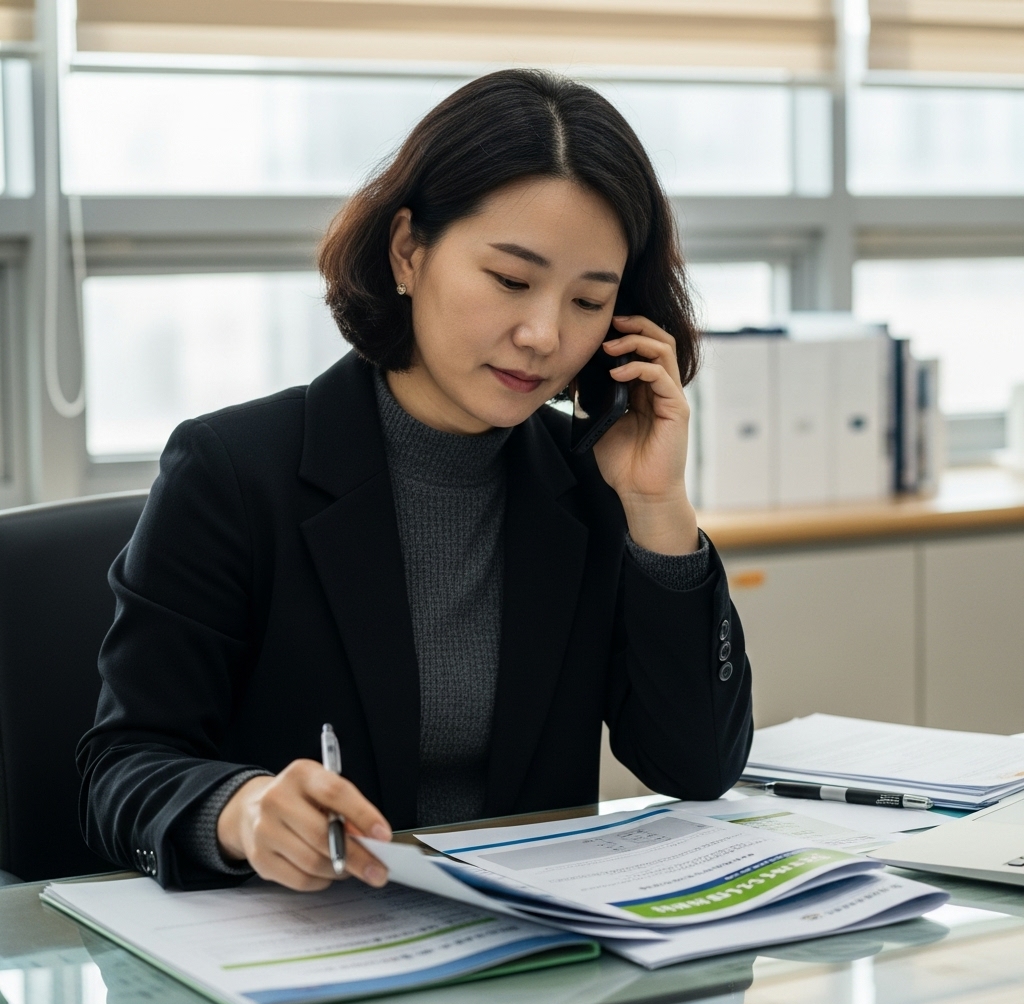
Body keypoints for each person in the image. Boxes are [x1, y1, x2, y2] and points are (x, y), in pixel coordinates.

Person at [78, 69, 753, 894]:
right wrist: (241, 810)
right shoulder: (232, 471)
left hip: (523, 964)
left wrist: (657, 507)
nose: (543, 334)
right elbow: (118, 768)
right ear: (408, 251)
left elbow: (695, 765)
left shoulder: (588, 484)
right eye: (510, 280)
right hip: (302, 960)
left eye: (588, 301)